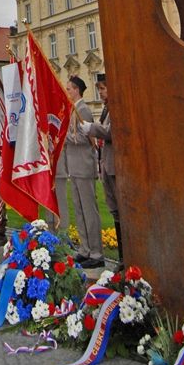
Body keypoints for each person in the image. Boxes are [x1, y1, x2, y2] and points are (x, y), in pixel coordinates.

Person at [80, 73, 122, 268]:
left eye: (103, 89)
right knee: (114, 210)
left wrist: (91, 128)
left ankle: (124, 257)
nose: (101, 93)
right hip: (107, 165)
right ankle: (122, 257)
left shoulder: (117, 106)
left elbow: (112, 131)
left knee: (120, 211)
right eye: (99, 90)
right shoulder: (106, 108)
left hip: (114, 165)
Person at [62, 75, 104, 269]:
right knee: (79, 210)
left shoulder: (83, 110)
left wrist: (63, 136)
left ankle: (96, 252)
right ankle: (85, 249)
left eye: (69, 89)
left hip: (84, 166)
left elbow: (81, 137)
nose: (67, 91)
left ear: (77, 90)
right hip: (75, 167)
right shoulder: (73, 110)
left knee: (89, 211)